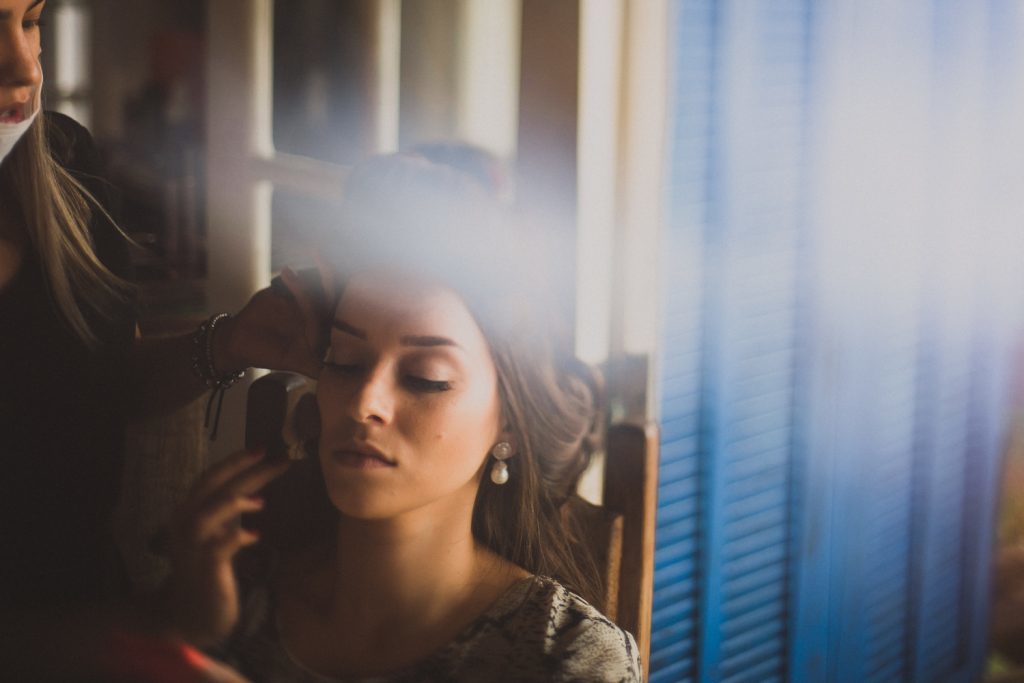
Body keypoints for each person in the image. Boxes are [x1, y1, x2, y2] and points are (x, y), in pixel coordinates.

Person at [159, 154, 643, 681]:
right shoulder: (230, 596)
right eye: (344, 362)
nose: (365, 401)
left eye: (426, 377)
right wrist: (178, 636)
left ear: (508, 424)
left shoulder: (567, 658)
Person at [0, 0, 327, 622]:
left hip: (85, 603)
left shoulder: (62, 163)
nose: (23, 68)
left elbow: (91, 388)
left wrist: (226, 345)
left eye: (31, 20)